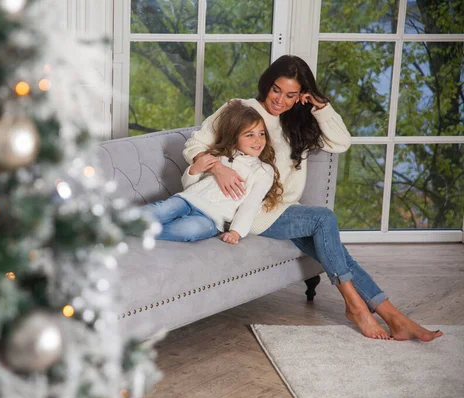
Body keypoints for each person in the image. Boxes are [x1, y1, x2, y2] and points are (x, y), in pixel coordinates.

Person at [183, 55, 442, 342]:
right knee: (323, 219)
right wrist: (218, 168)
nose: (280, 100)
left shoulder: (296, 120)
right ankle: (356, 306)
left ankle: (395, 317)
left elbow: (341, 142)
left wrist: (321, 107)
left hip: (281, 209)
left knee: (336, 254)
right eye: (276, 90)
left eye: (291, 94)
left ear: (301, 95)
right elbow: (195, 144)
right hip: (248, 208)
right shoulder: (240, 110)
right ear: (266, 84)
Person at [141, 100, 283, 244]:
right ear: (234, 138)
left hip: (212, 219)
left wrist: (236, 232)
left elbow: (250, 205)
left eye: (261, 134)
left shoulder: (264, 171)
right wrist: (195, 169)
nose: (258, 140)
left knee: (189, 230)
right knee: (162, 210)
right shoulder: (222, 156)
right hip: (188, 200)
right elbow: (189, 187)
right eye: (249, 135)